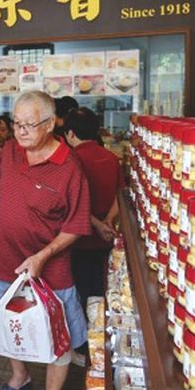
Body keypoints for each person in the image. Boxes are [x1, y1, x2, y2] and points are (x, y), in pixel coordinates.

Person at [0, 91, 91, 390]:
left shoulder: (69, 167)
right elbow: (3, 194)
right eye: (16, 123)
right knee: (9, 325)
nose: (21, 131)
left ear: (51, 123)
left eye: (30, 124)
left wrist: (43, 256)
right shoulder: (10, 151)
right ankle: (19, 375)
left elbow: (76, 226)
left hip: (51, 269)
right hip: (4, 262)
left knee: (58, 337)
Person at [64, 107, 124, 310]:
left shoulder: (70, 160)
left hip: (78, 240)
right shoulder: (111, 158)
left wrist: (98, 225)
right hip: (106, 239)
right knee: (101, 293)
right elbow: (120, 195)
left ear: (70, 134)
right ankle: (97, 336)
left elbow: (72, 202)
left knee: (78, 296)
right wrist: (107, 221)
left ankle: (81, 340)